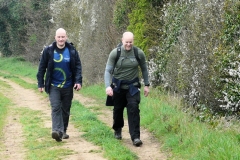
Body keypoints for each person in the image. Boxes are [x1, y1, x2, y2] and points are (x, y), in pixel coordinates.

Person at [104, 31, 150, 147]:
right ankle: (118, 129)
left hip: (132, 87)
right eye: (126, 42)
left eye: (130, 42)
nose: (128, 44)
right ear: (122, 40)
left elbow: (144, 69)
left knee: (133, 108)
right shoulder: (115, 53)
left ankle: (135, 137)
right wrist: (107, 86)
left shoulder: (138, 53)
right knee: (118, 109)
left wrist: (147, 85)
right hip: (118, 86)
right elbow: (108, 70)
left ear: (133, 41)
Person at [37, 28, 82, 142]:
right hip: (53, 85)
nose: (61, 39)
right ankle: (57, 131)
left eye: (63, 37)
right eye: (59, 37)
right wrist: (40, 83)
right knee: (56, 107)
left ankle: (63, 131)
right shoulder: (48, 51)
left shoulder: (71, 50)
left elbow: (78, 67)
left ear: (66, 37)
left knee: (65, 110)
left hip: (68, 85)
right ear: (55, 38)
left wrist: (78, 81)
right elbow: (41, 68)